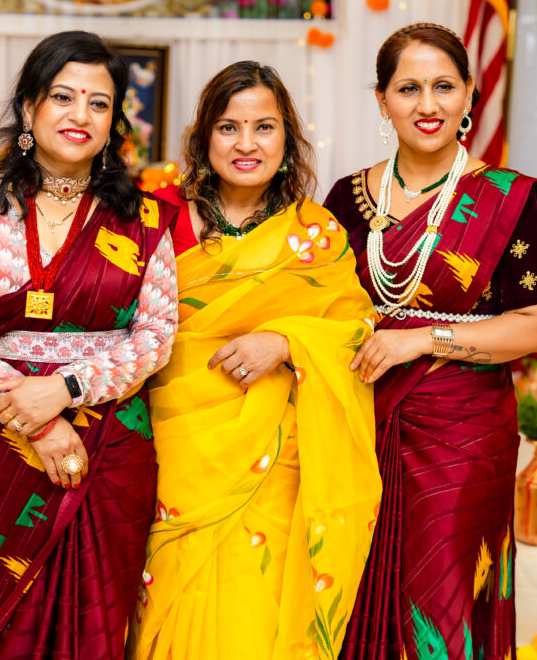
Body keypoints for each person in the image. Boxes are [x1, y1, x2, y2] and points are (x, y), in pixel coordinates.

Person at [0, 31, 177, 660]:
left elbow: (155, 337)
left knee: (96, 617)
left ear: (114, 121)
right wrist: (35, 421)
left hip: (111, 439)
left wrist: (65, 389)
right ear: (29, 107)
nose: (80, 114)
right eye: (63, 96)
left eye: (99, 102)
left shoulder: (145, 218)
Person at [129, 61, 382, 659]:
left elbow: (357, 329)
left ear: (287, 139)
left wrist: (287, 342)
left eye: (263, 127)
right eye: (228, 127)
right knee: (171, 596)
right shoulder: (152, 217)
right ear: (204, 139)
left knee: (254, 610)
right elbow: (111, 321)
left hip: (275, 455)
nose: (246, 144)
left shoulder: (316, 235)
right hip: (171, 447)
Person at [323, 23, 537, 660]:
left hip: (461, 435)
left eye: (443, 86)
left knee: (441, 604)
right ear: (382, 100)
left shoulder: (507, 199)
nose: (428, 105)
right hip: (357, 421)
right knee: (350, 592)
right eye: (409, 88)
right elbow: (316, 309)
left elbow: (535, 326)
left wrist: (423, 339)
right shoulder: (346, 199)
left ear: (470, 93)